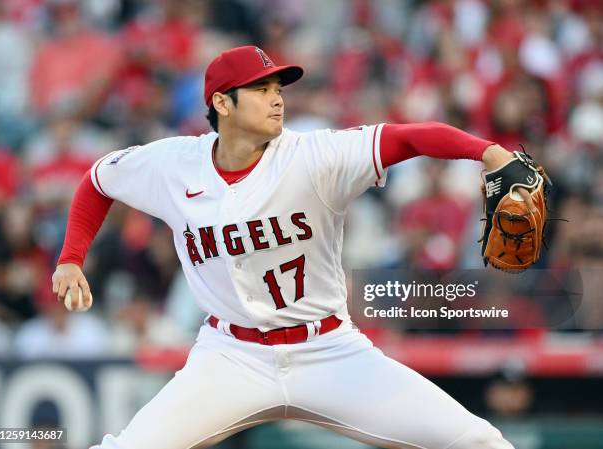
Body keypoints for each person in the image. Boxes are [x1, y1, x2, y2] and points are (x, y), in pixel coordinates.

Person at [52, 46, 531, 449]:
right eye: (261, 90)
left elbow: (408, 137)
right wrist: (71, 258)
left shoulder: (314, 157)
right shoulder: (173, 163)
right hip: (229, 356)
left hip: (328, 350)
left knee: (478, 442)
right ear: (222, 102)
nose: (276, 100)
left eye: (278, 89)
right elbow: (98, 181)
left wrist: (488, 152)